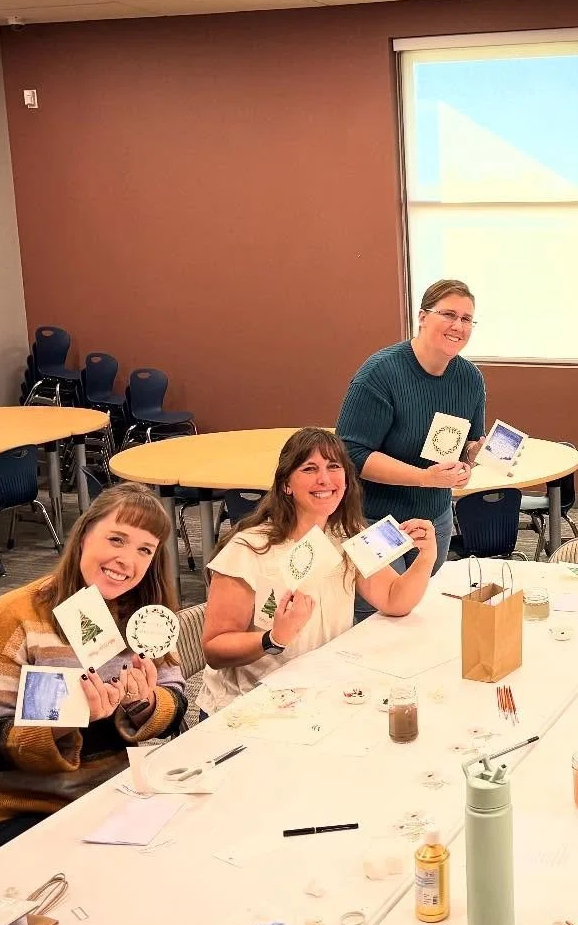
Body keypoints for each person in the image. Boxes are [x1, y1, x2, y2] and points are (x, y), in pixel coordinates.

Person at [0, 483, 187, 862]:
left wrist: (146, 704)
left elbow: (175, 698)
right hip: (13, 807)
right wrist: (64, 720)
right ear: (85, 534)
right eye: (116, 539)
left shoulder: (144, 618)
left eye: (144, 550)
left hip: (104, 796)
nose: (127, 560)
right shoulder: (15, 615)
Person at [198, 428, 436, 717]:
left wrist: (426, 557)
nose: (324, 479)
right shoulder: (249, 548)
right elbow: (215, 648)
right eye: (309, 469)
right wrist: (274, 638)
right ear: (286, 484)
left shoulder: (348, 536)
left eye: (333, 467)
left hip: (320, 695)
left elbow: (393, 600)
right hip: (250, 707)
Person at [337, 279, 486, 617]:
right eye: (448, 314)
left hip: (434, 519)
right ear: (421, 316)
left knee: (420, 614)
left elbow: (464, 446)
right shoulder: (380, 373)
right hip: (374, 521)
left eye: (466, 319)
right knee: (372, 619)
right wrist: (423, 477)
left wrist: (470, 460)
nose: (457, 326)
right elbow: (351, 455)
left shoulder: (470, 379)